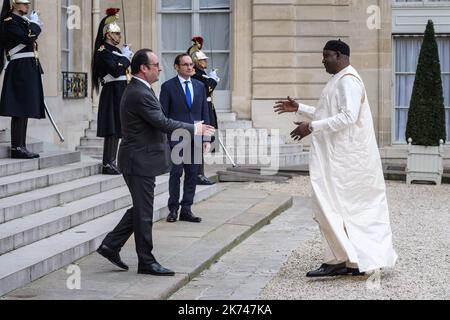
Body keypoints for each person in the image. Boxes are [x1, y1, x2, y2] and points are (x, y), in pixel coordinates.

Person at [274, 40, 398, 277]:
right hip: (338, 159)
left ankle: (349, 260)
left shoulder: (348, 81)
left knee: (338, 207)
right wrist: (300, 107)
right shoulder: (340, 79)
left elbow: (348, 117)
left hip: (347, 162)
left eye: (326, 55)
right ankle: (345, 259)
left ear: (339, 55)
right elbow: (330, 112)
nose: (323, 60)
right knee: (331, 207)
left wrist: (312, 127)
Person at [97, 49, 215, 276]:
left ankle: (111, 245)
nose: (160, 68)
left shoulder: (142, 89)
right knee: (144, 212)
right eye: (156, 64)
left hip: (141, 159)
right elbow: (162, 122)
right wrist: (195, 128)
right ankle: (146, 261)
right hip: (138, 160)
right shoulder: (138, 93)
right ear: (144, 68)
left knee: (141, 208)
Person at [160, 53, 211, 224]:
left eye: (191, 64)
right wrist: (167, 139)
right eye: (185, 65)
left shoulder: (199, 86)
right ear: (176, 67)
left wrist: (206, 138)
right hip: (176, 136)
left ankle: (187, 209)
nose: (190, 67)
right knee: (175, 173)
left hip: (196, 137)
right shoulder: (168, 87)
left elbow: (205, 112)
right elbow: (163, 116)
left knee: (192, 174)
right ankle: (173, 209)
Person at [0, 0, 45, 159]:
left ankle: (22, 145)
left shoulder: (23, 22)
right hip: (19, 68)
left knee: (24, 109)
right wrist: (35, 24)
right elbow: (28, 38)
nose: (27, 6)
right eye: (23, 3)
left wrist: (32, 24)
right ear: (14, 4)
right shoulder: (10, 22)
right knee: (18, 109)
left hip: (27, 67)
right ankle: (16, 147)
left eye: (27, 3)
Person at [92, 8, 133, 175]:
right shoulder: (103, 51)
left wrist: (122, 59)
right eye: (116, 34)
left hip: (120, 90)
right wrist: (124, 58)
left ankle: (113, 161)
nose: (119, 37)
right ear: (108, 34)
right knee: (112, 127)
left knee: (118, 127)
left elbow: (122, 69)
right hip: (111, 91)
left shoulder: (115, 51)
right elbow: (116, 71)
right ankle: (107, 163)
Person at [189, 38, 220, 186]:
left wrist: (211, 79)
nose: (205, 61)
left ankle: (200, 173)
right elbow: (208, 88)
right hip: (202, 110)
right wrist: (213, 80)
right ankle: (198, 174)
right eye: (203, 60)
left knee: (205, 142)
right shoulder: (196, 75)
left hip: (208, 109)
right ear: (196, 61)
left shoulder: (203, 74)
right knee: (200, 142)